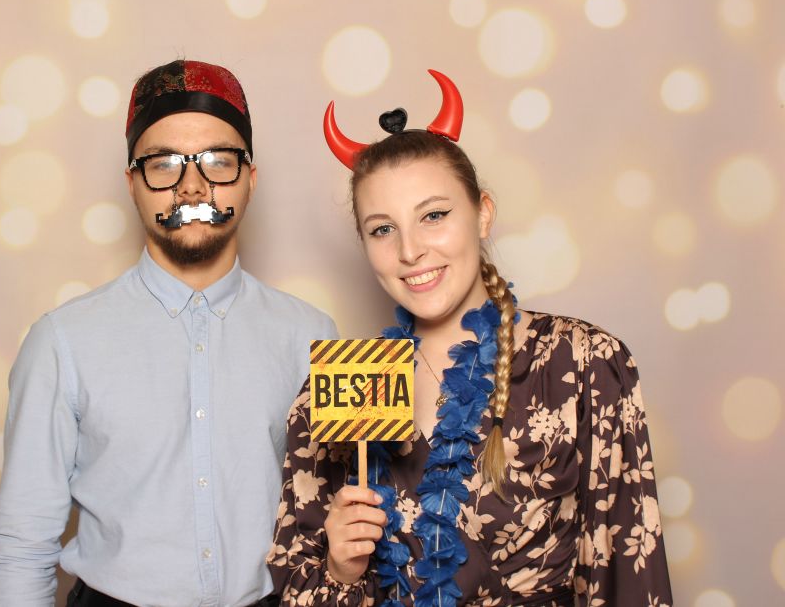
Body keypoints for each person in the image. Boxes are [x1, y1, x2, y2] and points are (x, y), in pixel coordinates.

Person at [267, 71, 673, 606]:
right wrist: (340, 571)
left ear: (482, 214)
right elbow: (296, 587)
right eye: (383, 229)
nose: (410, 251)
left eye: (434, 215)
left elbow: (628, 575)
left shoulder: (583, 364)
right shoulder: (342, 386)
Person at [0, 59, 338, 607]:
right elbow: (22, 547)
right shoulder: (61, 343)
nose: (192, 186)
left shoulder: (315, 336)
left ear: (251, 179)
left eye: (218, 161)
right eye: (163, 164)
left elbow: (335, 515)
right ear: (132, 183)